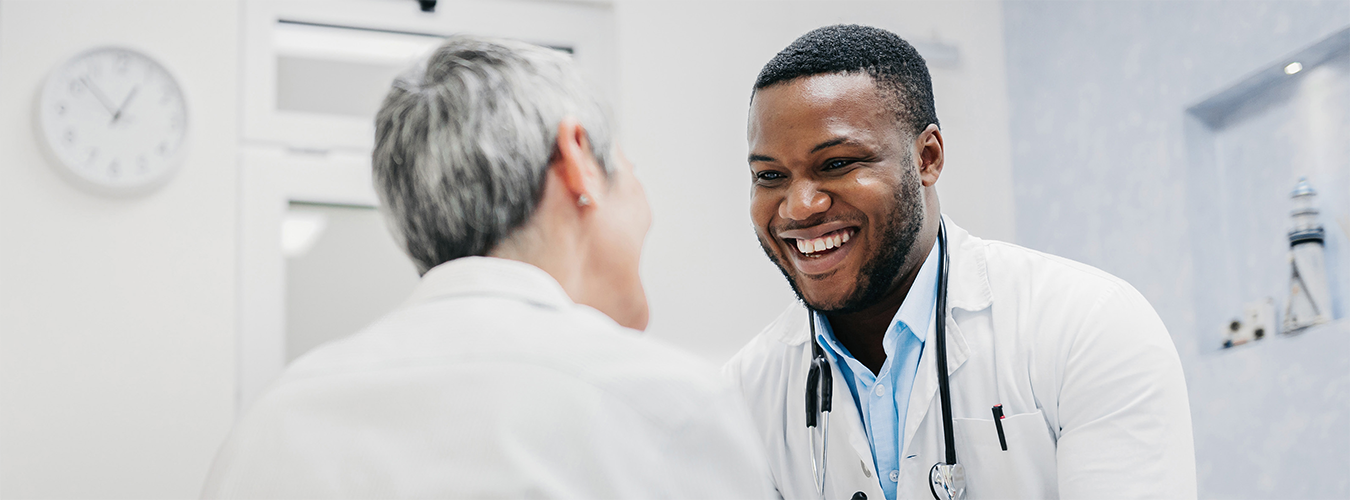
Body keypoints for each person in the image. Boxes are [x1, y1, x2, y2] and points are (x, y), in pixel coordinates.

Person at [202, 35, 775, 499]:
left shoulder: (273, 424)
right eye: (629, 169)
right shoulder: (663, 404)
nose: (644, 207)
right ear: (577, 159)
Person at [724, 25, 1196, 500]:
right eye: (769, 175)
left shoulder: (1087, 326)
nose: (798, 206)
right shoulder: (744, 394)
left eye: (838, 163)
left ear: (927, 157)